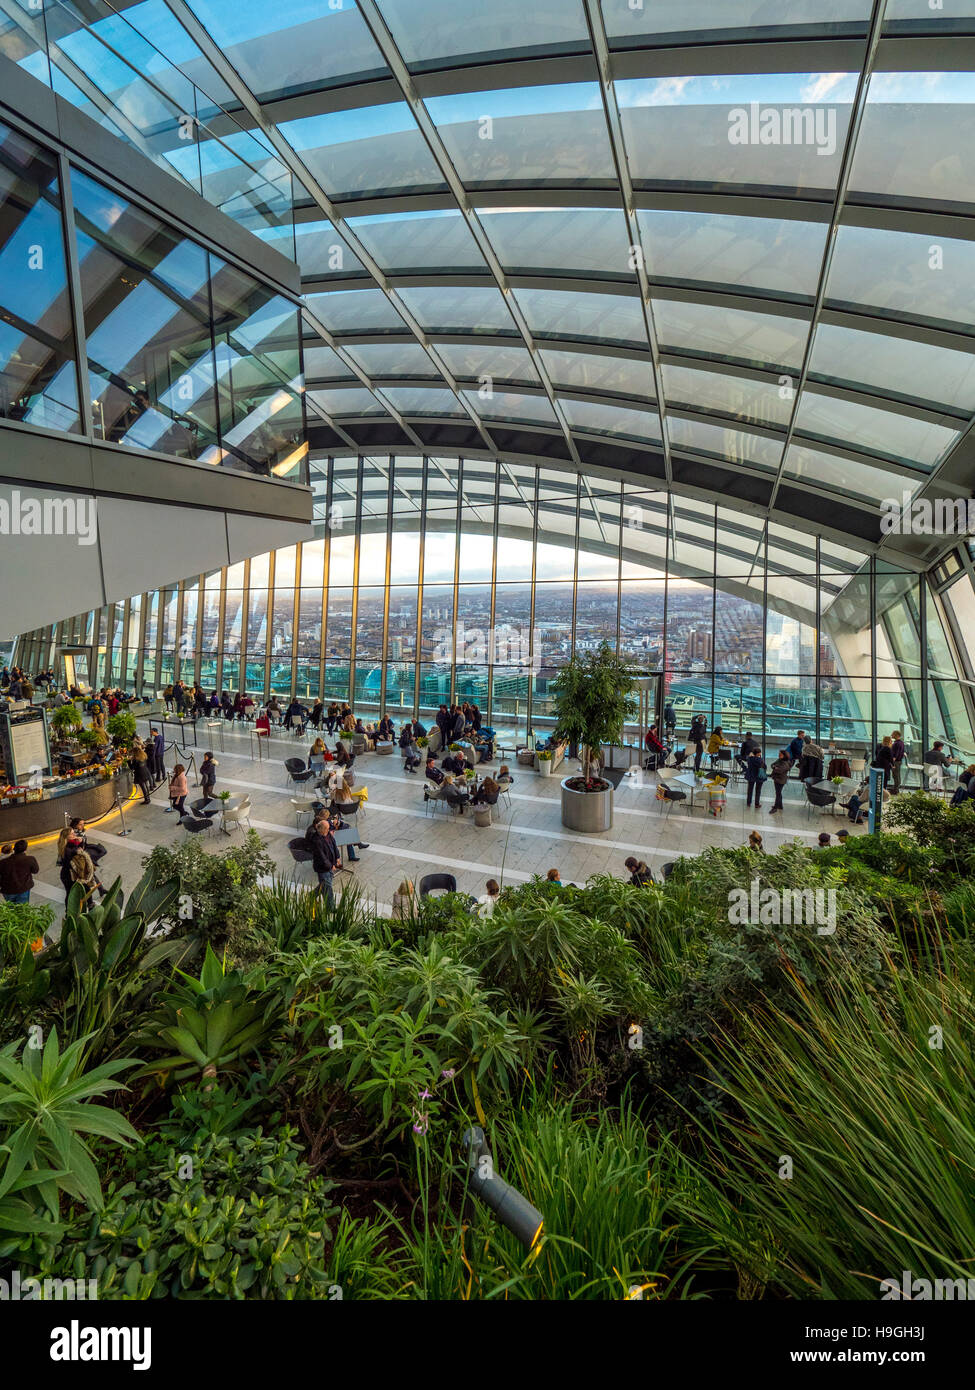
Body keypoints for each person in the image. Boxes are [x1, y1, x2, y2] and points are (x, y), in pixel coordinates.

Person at [308, 816, 339, 906]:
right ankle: (331, 907)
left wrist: (337, 857)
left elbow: (334, 844)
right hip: (322, 868)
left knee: (324, 885)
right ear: (323, 830)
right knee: (328, 888)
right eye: (328, 828)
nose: (329, 829)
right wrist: (331, 866)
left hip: (330, 864)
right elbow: (322, 857)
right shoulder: (316, 840)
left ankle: (312, 895)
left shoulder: (327, 834)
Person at [0, 839, 40, 904]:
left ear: (14, 848)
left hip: (7, 890)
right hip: (23, 888)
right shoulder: (30, 859)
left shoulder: (3, 862)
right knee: (22, 911)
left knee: (11, 910)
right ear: (25, 849)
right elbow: (35, 871)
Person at [768, 749, 791, 815]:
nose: (779, 755)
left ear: (784, 755)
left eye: (780, 754)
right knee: (778, 792)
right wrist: (775, 767)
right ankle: (780, 806)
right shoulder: (779, 760)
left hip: (780, 780)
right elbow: (772, 764)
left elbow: (779, 770)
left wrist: (775, 768)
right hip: (777, 778)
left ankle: (775, 807)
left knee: (778, 793)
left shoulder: (785, 763)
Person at [131, 738, 153, 805]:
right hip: (145, 772)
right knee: (146, 786)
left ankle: (147, 800)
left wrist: (129, 761)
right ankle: (148, 798)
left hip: (140, 774)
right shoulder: (143, 756)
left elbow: (132, 768)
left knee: (143, 787)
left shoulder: (135, 759)